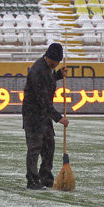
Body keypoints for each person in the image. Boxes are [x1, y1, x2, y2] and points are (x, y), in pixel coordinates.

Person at [22, 42, 69, 190]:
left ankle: (46, 178)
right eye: (55, 62)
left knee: (49, 146)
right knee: (35, 148)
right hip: (33, 115)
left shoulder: (47, 68)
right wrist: (58, 118)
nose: (56, 64)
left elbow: (47, 82)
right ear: (48, 57)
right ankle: (32, 180)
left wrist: (57, 76)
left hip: (43, 115)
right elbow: (43, 99)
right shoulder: (38, 70)